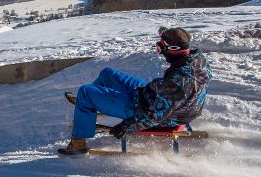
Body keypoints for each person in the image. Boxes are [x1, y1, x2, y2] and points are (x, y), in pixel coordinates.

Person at [58, 27, 212, 155]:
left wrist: (127, 125)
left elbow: (156, 115)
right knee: (107, 74)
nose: (160, 51)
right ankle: (88, 107)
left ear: (172, 49)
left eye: (160, 48)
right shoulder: (197, 59)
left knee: (85, 92)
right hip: (158, 97)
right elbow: (170, 94)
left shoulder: (177, 83)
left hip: (149, 111)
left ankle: (78, 140)